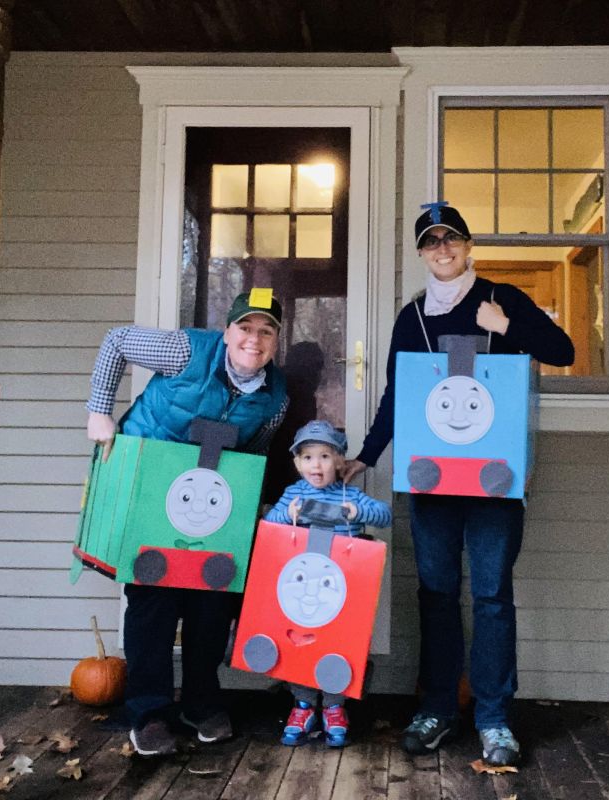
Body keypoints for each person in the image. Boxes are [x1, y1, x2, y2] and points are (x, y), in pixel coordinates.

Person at [343, 202, 574, 765]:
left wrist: (508, 328)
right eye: (431, 241)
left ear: (468, 246)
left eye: (451, 239)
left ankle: (495, 718)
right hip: (433, 481)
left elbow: (562, 352)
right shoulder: (413, 317)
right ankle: (438, 707)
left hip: (495, 479)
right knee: (437, 593)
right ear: (421, 252)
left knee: (492, 594)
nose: (442, 249)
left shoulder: (503, 299)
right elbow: (399, 396)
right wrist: (367, 455)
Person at [86, 290, 288, 757]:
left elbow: (255, 452)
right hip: (150, 484)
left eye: (266, 330)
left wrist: (245, 510)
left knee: (213, 598)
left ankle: (201, 702)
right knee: (153, 595)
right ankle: (150, 711)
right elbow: (116, 341)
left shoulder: (275, 396)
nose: (253, 340)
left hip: (210, 498)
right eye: (245, 327)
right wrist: (99, 412)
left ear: (277, 340)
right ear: (227, 330)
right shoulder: (186, 350)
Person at [265, 419, 392, 747]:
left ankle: (335, 706)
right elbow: (269, 525)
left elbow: (385, 515)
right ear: (297, 463)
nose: (316, 465)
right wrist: (287, 513)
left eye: (324, 456)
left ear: (339, 461)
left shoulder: (350, 494)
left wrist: (356, 513)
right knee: (301, 642)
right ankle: (303, 705)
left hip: (340, 589)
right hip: (301, 590)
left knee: (337, 644)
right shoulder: (292, 494)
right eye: (307, 458)